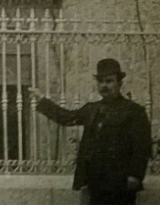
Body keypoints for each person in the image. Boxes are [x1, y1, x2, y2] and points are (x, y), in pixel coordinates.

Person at [29, 58, 152, 205]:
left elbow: (142, 146)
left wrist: (135, 175)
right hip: (95, 181)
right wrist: (42, 100)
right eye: (101, 82)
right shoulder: (91, 109)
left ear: (120, 83)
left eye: (109, 81)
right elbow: (67, 118)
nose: (104, 86)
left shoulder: (134, 111)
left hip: (121, 182)